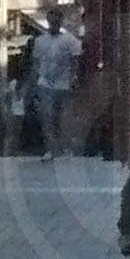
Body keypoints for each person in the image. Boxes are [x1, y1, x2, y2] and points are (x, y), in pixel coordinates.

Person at [32, 8, 84, 159]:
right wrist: (34, 82)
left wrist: (74, 78)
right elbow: (36, 63)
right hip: (45, 83)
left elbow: (76, 62)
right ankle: (50, 148)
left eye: (56, 21)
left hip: (64, 84)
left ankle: (64, 147)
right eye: (51, 21)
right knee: (47, 116)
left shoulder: (70, 41)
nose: (53, 23)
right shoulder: (40, 41)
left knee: (63, 117)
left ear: (60, 22)